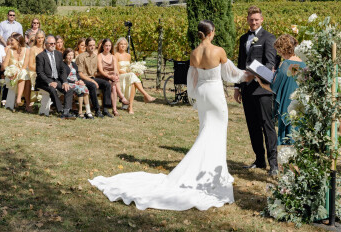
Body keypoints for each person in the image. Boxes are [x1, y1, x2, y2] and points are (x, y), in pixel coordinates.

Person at [90, 20, 252, 210]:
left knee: (206, 130)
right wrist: (249, 75)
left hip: (202, 93)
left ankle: (209, 167)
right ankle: (215, 171)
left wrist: (195, 97)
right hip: (215, 94)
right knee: (217, 131)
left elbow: (192, 79)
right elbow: (231, 74)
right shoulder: (218, 51)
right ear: (212, 33)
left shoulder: (194, 53)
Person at [234, 5, 279, 175]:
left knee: (267, 126)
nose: (253, 22)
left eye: (256, 20)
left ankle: (273, 164)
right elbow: (240, 63)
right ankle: (259, 160)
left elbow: (270, 63)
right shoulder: (243, 39)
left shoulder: (269, 38)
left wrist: (255, 74)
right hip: (246, 90)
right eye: (251, 19)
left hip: (262, 90)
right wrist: (237, 87)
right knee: (252, 126)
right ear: (247, 19)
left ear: (262, 20)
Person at [253, 34, 305, 146]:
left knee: (289, 142)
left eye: (279, 50)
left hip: (288, 104)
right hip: (301, 105)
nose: (278, 53)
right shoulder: (304, 63)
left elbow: (274, 86)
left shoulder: (285, 64)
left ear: (283, 49)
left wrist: (261, 83)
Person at [35, 35, 75, 119]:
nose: (53, 45)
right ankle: (60, 111)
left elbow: (62, 70)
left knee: (69, 89)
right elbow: (40, 73)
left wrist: (65, 81)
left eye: (54, 43)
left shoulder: (59, 54)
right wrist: (49, 82)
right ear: (46, 44)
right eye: (51, 43)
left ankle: (66, 111)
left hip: (56, 80)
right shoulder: (40, 56)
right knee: (52, 89)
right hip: (44, 82)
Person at [114, 37, 155, 114]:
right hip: (120, 76)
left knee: (133, 82)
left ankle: (130, 107)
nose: (123, 46)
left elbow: (129, 68)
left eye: (124, 44)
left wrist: (134, 72)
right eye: (121, 44)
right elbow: (117, 69)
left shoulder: (128, 55)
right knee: (132, 77)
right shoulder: (116, 55)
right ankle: (146, 95)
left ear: (127, 45)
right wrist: (127, 73)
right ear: (118, 45)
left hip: (129, 76)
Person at [76, 37, 113, 118]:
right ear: (86, 46)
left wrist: (108, 74)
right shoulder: (81, 57)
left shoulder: (95, 57)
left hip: (92, 78)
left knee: (107, 84)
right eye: (90, 45)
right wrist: (92, 81)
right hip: (83, 79)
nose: (92, 47)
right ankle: (97, 110)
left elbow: (95, 73)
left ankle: (105, 109)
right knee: (92, 85)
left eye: (93, 45)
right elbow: (80, 74)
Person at [2, 34, 32, 110]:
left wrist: (17, 73)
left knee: (25, 74)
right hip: (11, 77)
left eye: (12, 40)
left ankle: (18, 99)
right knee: (26, 78)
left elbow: (24, 66)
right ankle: (27, 103)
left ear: (18, 41)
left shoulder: (27, 50)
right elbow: (4, 65)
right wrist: (10, 73)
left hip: (21, 75)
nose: (10, 42)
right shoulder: (10, 50)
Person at [97, 38, 121, 116]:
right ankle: (121, 97)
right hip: (103, 77)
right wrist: (109, 76)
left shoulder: (113, 57)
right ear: (103, 46)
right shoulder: (99, 56)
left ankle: (114, 109)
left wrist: (115, 75)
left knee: (113, 87)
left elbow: (116, 69)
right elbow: (101, 71)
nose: (108, 47)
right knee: (113, 84)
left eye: (109, 46)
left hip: (111, 77)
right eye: (106, 45)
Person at [62, 48, 89, 117]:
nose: (70, 57)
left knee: (84, 88)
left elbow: (77, 75)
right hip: (68, 83)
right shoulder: (62, 65)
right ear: (65, 55)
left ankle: (88, 111)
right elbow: (63, 78)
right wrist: (75, 82)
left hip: (76, 83)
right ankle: (80, 112)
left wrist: (80, 80)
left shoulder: (73, 64)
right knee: (81, 89)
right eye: (69, 55)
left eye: (72, 55)